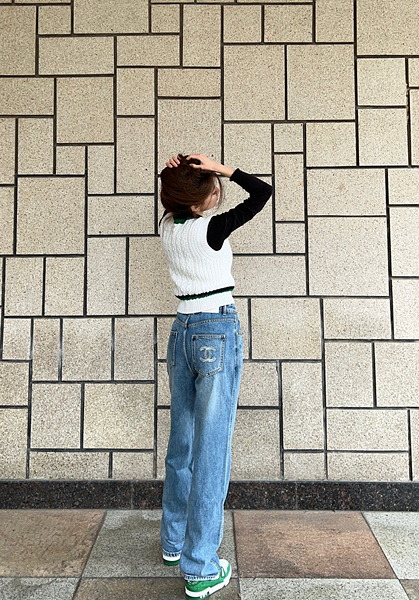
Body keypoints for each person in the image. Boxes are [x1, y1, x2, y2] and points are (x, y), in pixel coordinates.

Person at [158, 153, 273, 598]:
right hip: (215, 331)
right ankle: (201, 566)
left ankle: (173, 541)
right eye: (212, 187)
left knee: (182, 441)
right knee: (212, 449)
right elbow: (261, 193)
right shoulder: (212, 229)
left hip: (181, 331)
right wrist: (223, 168)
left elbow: (175, 199)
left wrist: (180, 173)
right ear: (198, 200)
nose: (218, 191)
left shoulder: (167, 226)